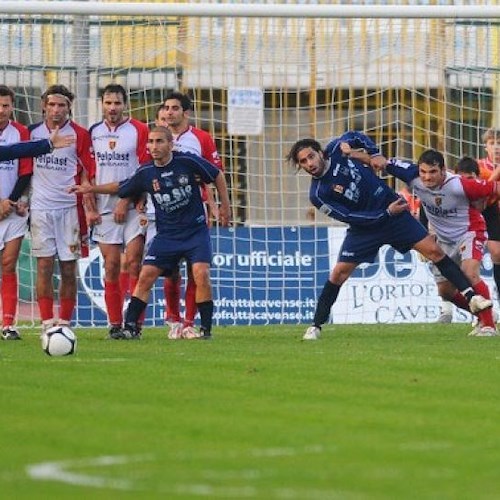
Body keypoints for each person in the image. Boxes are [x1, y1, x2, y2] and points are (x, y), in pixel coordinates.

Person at [286, 131, 493, 340]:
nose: (309, 163)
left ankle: (472, 298)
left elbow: (356, 135)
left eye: (311, 156)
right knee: (339, 273)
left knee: (434, 251)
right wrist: (385, 213)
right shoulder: (318, 194)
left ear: (320, 153)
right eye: (303, 161)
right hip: (365, 227)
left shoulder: (337, 148)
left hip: (395, 214)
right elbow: (348, 216)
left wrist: (374, 153)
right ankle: (316, 325)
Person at [70, 126, 231, 340]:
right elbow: (121, 187)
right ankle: (130, 328)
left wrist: (225, 206)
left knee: (201, 273)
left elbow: (216, 174)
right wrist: (91, 189)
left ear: (170, 144)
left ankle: (206, 330)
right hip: (167, 235)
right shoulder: (146, 172)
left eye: (159, 141)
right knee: (145, 276)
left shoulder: (187, 161)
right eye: (151, 142)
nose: (154, 146)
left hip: (195, 231)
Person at [385, 151, 499, 336]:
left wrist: (488, 202)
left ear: (444, 170)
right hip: (442, 239)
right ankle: (485, 314)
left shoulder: (460, 185)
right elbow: (383, 162)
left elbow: (495, 188)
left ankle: (488, 327)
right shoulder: (414, 179)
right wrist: (361, 155)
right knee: (445, 291)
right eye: (424, 172)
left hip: (469, 232)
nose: (427, 177)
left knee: (469, 273)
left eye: (433, 172)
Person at [0, 86, 74, 340]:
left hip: (16, 210)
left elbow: (11, 154)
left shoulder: (20, 133)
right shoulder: (28, 132)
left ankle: (8, 325)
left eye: (6, 105)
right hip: (31, 207)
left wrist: (13, 200)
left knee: (9, 264)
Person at [154, 92, 224, 339]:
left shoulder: (201, 138)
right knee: (170, 270)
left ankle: (188, 322)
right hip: (165, 212)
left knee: (197, 269)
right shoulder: (157, 137)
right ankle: (172, 319)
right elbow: (146, 170)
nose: (170, 112)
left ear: (186, 112)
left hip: (195, 210)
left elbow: (215, 172)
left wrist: (215, 205)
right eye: (167, 107)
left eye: (175, 108)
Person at [29, 84, 95, 333]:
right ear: (44, 106)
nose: (56, 110)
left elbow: (89, 172)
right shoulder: (32, 133)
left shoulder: (80, 134)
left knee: (69, 268)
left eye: (62, 105)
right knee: (44, 266)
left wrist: (90, 203)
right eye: (52, 104)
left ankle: (65, 322)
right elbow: (24, 170)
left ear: (69, 108)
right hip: (40, 208)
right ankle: (47, 322)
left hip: (70, 210)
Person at [88, 83, 150, 339]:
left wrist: (126, 199)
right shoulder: (93, 132)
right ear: (102, 104)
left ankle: (134, 324)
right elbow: (88, 173)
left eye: (117, 103)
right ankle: (115, 324)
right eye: (108, 103)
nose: (112, 108)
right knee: (111, 265)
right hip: (104, 210)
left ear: (126, 104)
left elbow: (145, 170)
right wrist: (89, 207)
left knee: (135, 264)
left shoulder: (139, 130)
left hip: (135, 206)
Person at [477, 128, 500, 309]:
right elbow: (483, 192)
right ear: (486, 147)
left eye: (499, 143)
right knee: (497, 252)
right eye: (492, 143)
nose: (497, 148)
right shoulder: (479, 167)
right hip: (490, 215)